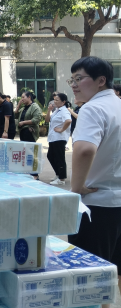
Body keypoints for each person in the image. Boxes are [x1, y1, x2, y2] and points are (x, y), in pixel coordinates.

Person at [66, 57, 121, 299]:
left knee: (90, 278)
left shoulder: (92, 109)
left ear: (101, 81)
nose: (74, 85)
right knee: (115, 271)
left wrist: (77, 187)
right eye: (72, 80)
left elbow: (85, 149)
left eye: (79, 79)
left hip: (96, 208)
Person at [45, 93, 72, 185]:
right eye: (54, 100)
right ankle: (58, 174)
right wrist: (49, 110)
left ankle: (61, 179)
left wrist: (61, 129)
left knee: (59, 158)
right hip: (53, 137)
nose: (55, 102)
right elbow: (47, 120)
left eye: (57, 100)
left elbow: (68, 120)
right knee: (50, 156)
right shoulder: (57, 110)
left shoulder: (64, 110)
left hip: (59, 138)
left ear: (63, 102)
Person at [15, 91, 42, 179]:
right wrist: (18, 105)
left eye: (23, 97)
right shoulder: (24, 108)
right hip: (23, 132)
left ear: (29, 97)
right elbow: (15, 115)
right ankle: (28, 172)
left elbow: (37, 119)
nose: (22, 99)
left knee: (32, 153)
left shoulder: (34, 107)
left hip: (30, 132)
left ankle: (35, 174)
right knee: (25, 152)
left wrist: (24, 122)